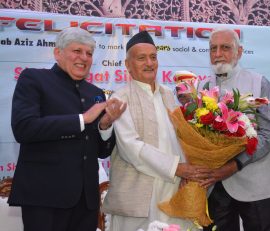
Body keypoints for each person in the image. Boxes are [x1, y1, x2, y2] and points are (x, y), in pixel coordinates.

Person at [9, 27, 127, 231]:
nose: (84, 57)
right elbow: (23, 128)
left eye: (89, 53)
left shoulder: (95, 93)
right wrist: (82, 119)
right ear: (58, 53)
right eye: (77, 51)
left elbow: (102, 151)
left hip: (86, 202)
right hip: (44, 198)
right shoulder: (34, 79)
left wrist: (105, 126)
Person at [101, 30, 210, 230]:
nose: (149, 63)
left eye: (153, 57)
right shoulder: (120, 98)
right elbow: (130, 148)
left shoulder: (168, 94)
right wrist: (177, 168)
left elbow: (181, 138)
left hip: (173, 191)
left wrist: (188, 170)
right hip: (138, 194)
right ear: (127, 65)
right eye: (141, 58)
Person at [199, 28, 270, 231]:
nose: (218, 54)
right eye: (213, 48)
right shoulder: (202, 87)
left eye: (225, 48)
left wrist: (236, 163)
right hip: (216, 188)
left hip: (256, 185)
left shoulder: (258, 82)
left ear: (239, 51)